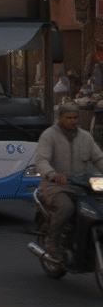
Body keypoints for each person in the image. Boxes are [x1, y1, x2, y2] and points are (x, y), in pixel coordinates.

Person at [35, 104, 103, 262]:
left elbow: (99, 158)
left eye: (75, 117)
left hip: (82, 185)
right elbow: (41, 160)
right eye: (69, 118)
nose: (73, 121)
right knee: (67, 207)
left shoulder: (85, 136)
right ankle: (52, 243)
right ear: (60, 118)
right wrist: (52, 174)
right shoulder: (49, 135)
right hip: (55, 185)